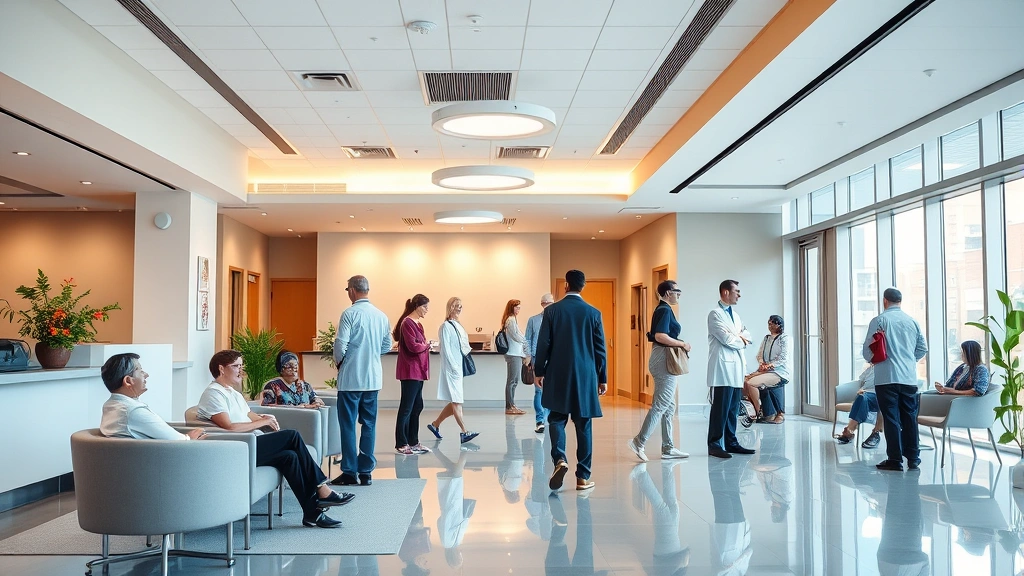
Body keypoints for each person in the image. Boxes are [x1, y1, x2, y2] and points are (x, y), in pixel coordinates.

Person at [196, 349, 350, 528]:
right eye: (236, 366)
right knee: (291, 436)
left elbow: (248, 415)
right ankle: (322, 488)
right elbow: (229, 426)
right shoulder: (213, 394)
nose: (241, 370)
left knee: (289, 457)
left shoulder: (233, 393)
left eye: (241, 365)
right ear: (221, 369)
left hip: (251, 443)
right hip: (239, 448)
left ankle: (312, 514)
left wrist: (265, 419)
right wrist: (260, 424)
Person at [534, 269, 608, 492]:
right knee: (583, 422)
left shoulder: (552, 311)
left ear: (566, 285)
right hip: (586, 374)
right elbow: (600, 349)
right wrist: (602, 377)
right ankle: (583, 477)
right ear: (583, 287)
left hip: (557, 372)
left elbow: (543, 344)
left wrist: (539, 371)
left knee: (556, 418)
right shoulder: (593, 313)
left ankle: (560, 459)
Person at [332, 275, 393, 486]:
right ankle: (366, 472)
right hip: (373, 380)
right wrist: (372, 354)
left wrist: (341, 363)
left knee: (348, 425)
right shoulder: (381, 316)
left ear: (351, 290)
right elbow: (387, 345)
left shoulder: (349, 313)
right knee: (369, 425)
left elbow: (340, 344)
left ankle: (349, 471)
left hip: (351, 380)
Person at [862, 287, 927, 472]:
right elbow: (923, 348)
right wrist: (908, 360)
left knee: (891, 418)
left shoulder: (879, 320)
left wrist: (876, 360)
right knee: (910, 417)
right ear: (900, 301)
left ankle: (895, 459)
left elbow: (867, 350)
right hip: (908, 378)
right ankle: (914, 458)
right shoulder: (912, 321)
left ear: (884, 301)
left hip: (886, 376)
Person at [628, 280, 691, 462]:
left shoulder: (664, 309)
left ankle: (668, 447)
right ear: (667, 292)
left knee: (669, 405)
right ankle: (639, 442)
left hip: (661, 357)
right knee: (661, 404)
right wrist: (682, 344)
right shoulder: (664, 310)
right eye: (677, 291)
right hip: (663, 359)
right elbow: (660, 335)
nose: (679, 294)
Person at [99, 352, 206, 441]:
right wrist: (189, 438)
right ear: (128, 381)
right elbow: (178, 442)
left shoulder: (111, 406)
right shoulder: (132, 411)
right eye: (140, 371)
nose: (146, 374)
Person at [707, 279, 755, 459]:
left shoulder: (735, 315)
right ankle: (714, 444)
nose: (739, 294)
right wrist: (739, 338)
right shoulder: (715, 314)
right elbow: (726, 339)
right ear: (726, 292)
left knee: (733, 407)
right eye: (737, 291)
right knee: (721, 408)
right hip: (722, 368)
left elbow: (748, 335)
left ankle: (731, 441)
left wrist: (740, 337)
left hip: (736, 367)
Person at [427, 297, 480, 444]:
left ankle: (435, 424)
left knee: (455, 401)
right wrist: (454, 367)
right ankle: (464, 432)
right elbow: (446, 350)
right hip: (452, 369)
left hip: (457, 368)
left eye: (461, 306)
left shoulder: (458, 326)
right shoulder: (445, 326)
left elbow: (463, 346)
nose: (459, 308)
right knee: (457, 401)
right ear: (450, 307)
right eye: (456, 306)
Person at [394, 294, 433, 456]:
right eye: (424, 307)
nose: (426, 310)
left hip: (418, 371)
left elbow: (420, 345)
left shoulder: (418, 325)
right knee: (407, 408)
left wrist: (425, 345)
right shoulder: (407, 323)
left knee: (417, 406)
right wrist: (426, 345)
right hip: (410, 371)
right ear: (417, 306)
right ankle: (401, 443)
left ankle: (413, 441)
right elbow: (413, 346)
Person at [740, 315, 791, 427]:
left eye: (773, 323)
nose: (770, 325)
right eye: (769, 323)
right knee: (744, 380)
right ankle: (756, 409)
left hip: (778, 372)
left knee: (751, 383)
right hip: (766, 370)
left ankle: (758, 412)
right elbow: (759, 354)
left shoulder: (784, 338)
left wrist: (771, 365)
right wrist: (762, 363)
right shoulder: (767, 338)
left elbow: (784, 357)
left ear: (779, 325)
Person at [525, 293, 555, 434]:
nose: (550, 305)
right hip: (538, 359)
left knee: (550, 390)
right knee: (539, 390)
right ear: (543, 304)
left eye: (552, 302)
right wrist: (528, 357)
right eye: (548, 303)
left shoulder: (557, 320)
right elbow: (528, 340)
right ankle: (540, 420)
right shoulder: (534, 320)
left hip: (554, 359)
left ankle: (546, 418)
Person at [835, 364, 884, 449]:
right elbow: (860, 381)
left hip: (882, 395)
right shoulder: (870, 369)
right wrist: (860, 389)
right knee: (861, 397)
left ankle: (852, 430)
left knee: (883, 400)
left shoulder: (889, 369)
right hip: (867, 394)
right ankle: (852, 429)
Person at [260, 350, 325, 409]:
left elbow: (316, 399)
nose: (294, 369)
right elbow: (268, 408)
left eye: (296, 365)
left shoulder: (305, 385)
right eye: (289, 367)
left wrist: (316, 403)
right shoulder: (273, 385)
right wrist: (298, 408)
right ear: (281, 369)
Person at [501, 299, 529, 415]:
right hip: (513, 354)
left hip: (516, 354)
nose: (518, 310)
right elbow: (517, 336)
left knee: (514, 381)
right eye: (517, 307)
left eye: (519, 308)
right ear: (511, 308)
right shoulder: (511, 320)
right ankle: (509, 407)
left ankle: (512, 405)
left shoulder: (512, 320)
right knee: (512, 381)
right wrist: (527, 342)